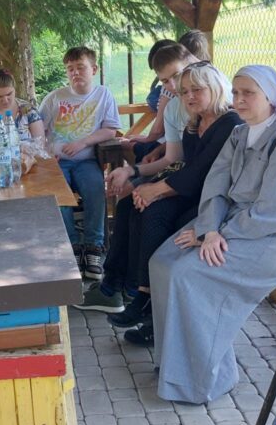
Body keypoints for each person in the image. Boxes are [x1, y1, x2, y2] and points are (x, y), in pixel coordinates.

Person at [149, 65, 276, 405]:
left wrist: (215, 236)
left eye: (249, 93)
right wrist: (208, 229)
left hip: (274, 240)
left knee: (188, 274)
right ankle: (175, 366)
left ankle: (204, 380)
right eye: (235, 93)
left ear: (272, 98)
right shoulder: (239, 134)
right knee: (162, 261)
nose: (239, 100)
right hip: (230, 225)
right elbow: (216, 186)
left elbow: (272, 214)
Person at [77, 63, 241, 346]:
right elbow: (186, 166)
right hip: (193, 190)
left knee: (154, 212)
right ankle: (139, 293)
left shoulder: (229, 122)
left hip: (218, 199)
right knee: (135, 204)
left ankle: (149, 305)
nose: (189, 96)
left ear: (215, 89)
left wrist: (158, 189)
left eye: (197, 90)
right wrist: (146, 186)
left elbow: (201, 171)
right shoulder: (195, 123)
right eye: (185, 91)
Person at [39, 46, 121, 281]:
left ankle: (94, 246)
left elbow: (110, 129)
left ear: (93, 69)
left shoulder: (103, 95)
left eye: (81, 67)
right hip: (57, 162)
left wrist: (83, 143)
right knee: (58, 194)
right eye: (70, 69)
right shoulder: (55, 97)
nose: (75, 73)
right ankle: (72, 245)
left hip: (86, 161)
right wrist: (44, 151)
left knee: (96, 188)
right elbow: (37, 128)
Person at [107, 43, 199, 197]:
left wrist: (157, 189)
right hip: (177, 166)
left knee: (140, 199)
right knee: (131, 200)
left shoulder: (211, 102)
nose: (174, 85)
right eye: (165, 81)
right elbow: (173, 157)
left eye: (177, 75)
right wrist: (130, 170)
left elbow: (157, 132)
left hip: (199, 179)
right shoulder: (173, 106)